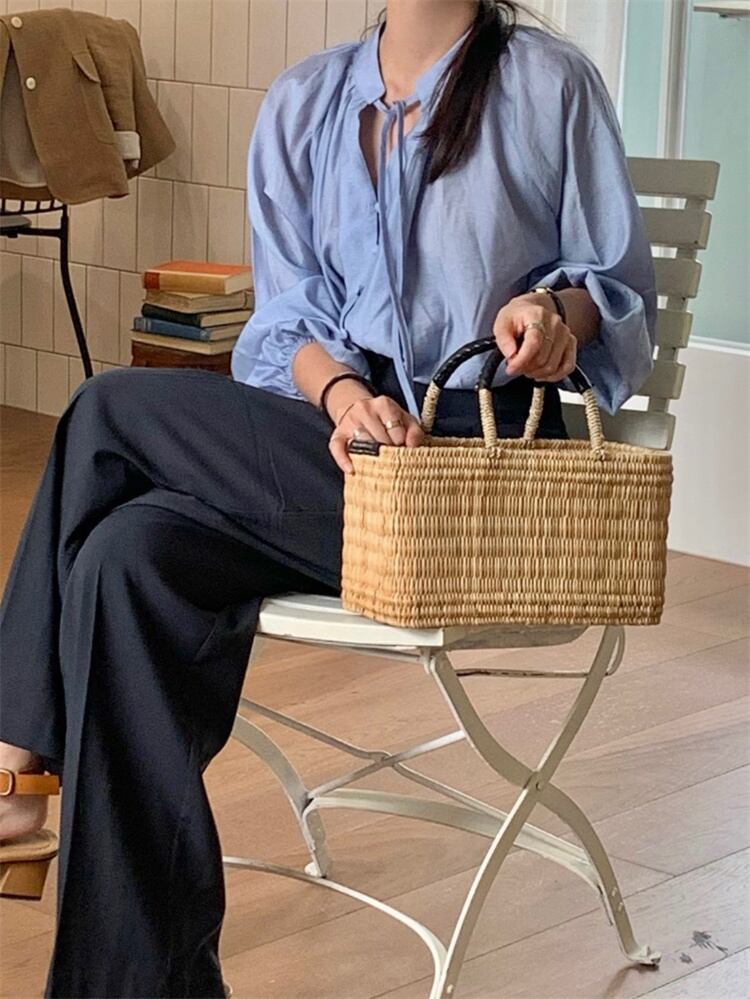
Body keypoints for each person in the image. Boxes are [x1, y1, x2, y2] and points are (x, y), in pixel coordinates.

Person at [0, 0, 657, 995]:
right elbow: (286, 319)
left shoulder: (547, 83)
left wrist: (551, 311)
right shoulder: (306, 101)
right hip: (345, 447)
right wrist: (345, 398)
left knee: (105, 410)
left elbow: (617, 291)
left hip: (481, 470)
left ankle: (17, 762)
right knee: (124, 557)